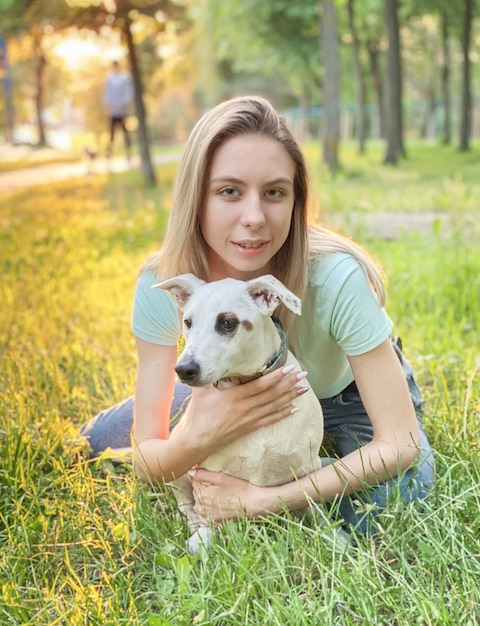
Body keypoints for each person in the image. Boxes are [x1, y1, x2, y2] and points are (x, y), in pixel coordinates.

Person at [80, 95, 434, 535]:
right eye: (229, 191)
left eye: (274, 193)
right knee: (98, 441)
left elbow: (399, 443)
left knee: (386, 507)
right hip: (225, 381)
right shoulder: (165, 282)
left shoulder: (336, 276)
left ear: (295, 201)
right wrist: (200, 435)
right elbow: (150, 460)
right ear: (196, 196)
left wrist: (261, 501)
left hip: (346, 394)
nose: (254, 218)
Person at [104, 60, 133, 159]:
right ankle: (109, 154)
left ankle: (128, 154)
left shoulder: (124, 78)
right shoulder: (109, 79)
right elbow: (107, 94)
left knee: (125, 133)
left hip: (122, 110)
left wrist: (124, 103)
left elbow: (128, 92)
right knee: (112, 133)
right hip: (113, 111)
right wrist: (109, 105)